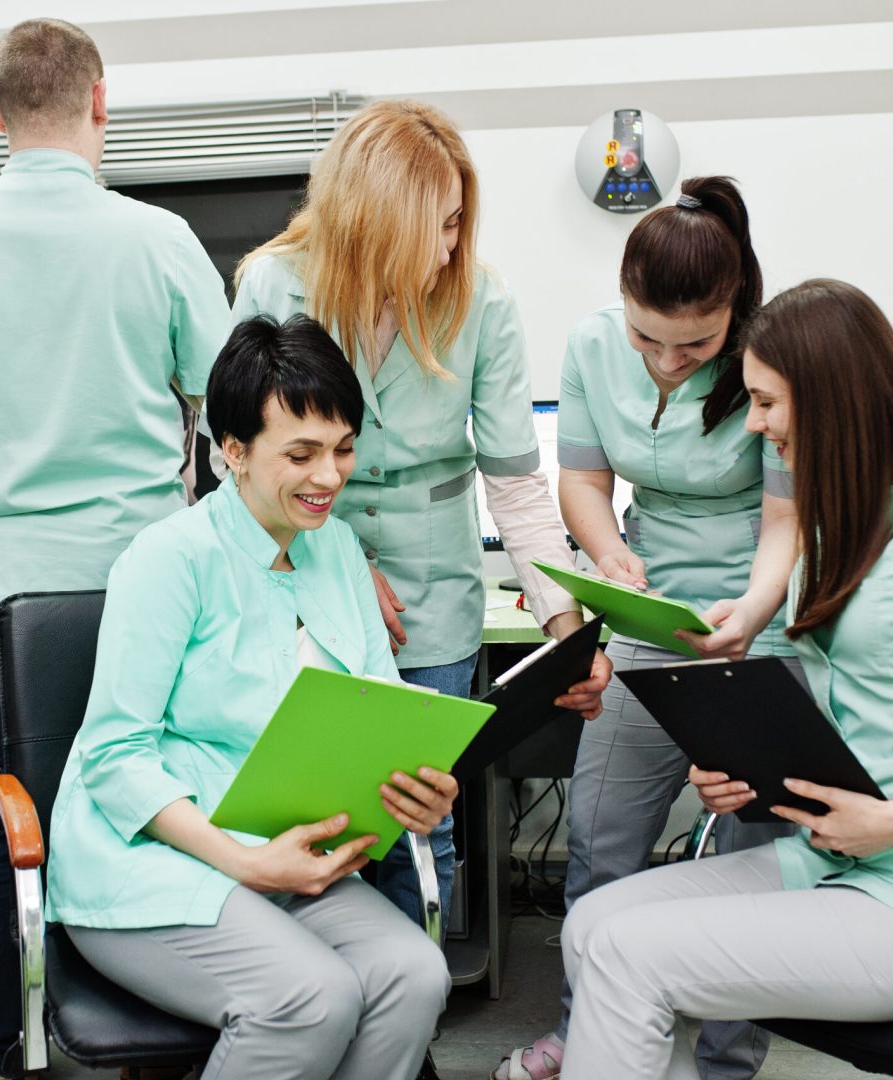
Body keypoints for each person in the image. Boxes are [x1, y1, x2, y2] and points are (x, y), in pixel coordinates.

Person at [0, 20, 230, 1080]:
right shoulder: (157, 241)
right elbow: (234, 417)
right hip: (134, 582)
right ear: (100, 103)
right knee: (146, 795)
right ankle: (154, 1026)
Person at [230, 99, 609, 932]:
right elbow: (239, 465)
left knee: (416, 823)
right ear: (376, 222)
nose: (449, 245)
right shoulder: (273, 284)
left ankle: (411, 1021)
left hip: (432, 599)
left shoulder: (481, 299)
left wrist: (562, 623)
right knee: (307, 815)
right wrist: (336, 557)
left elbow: (514, 482)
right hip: (300, 573)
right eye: (437, 225)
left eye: (457, 222)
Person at [46, 315, 453, 1080]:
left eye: (343, 449)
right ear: (231, 452)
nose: (329, 477)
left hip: (287, 853)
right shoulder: (170, 559)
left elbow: (381, 708)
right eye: (300, 455)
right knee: (310, 997)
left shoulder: (335, 548)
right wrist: (246, 863)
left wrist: (419, 786)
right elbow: (112, 755)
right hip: (153, 860)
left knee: (414, 975)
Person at [492, 177, 801, 1080]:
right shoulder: (592, 345)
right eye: (645, 339)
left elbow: (785, 521)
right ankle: (583, 1032)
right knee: (600, 842)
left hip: (758, 621)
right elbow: (585, 484)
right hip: (646, 616)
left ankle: (726, 1061)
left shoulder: (770, 358)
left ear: (734, 308)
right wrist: (605, 558)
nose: (667, 362)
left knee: (755, 858)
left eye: (694, 344)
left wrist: (751, 615)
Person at [560, 277, 893, 1080]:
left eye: (769, 403)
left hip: (882, 879)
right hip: (834, 862)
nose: (753, 425)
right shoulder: (837, 528)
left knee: (631, 958)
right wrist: (749, 766)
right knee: (591, 925)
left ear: (833, 400)